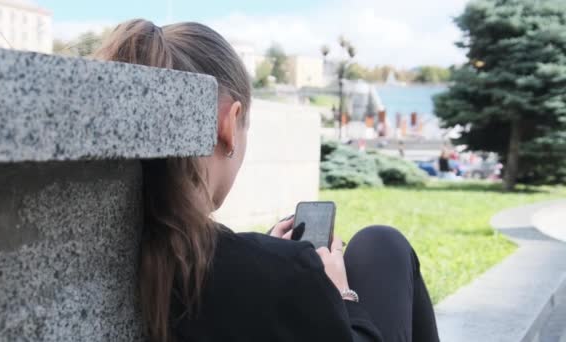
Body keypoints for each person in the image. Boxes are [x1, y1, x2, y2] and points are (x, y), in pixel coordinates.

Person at [94, 19, 439, 342]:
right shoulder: (286, 275)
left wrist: (268, 257)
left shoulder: (109, 246)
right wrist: (340, 294)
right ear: (229, 125)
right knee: (384, 244)